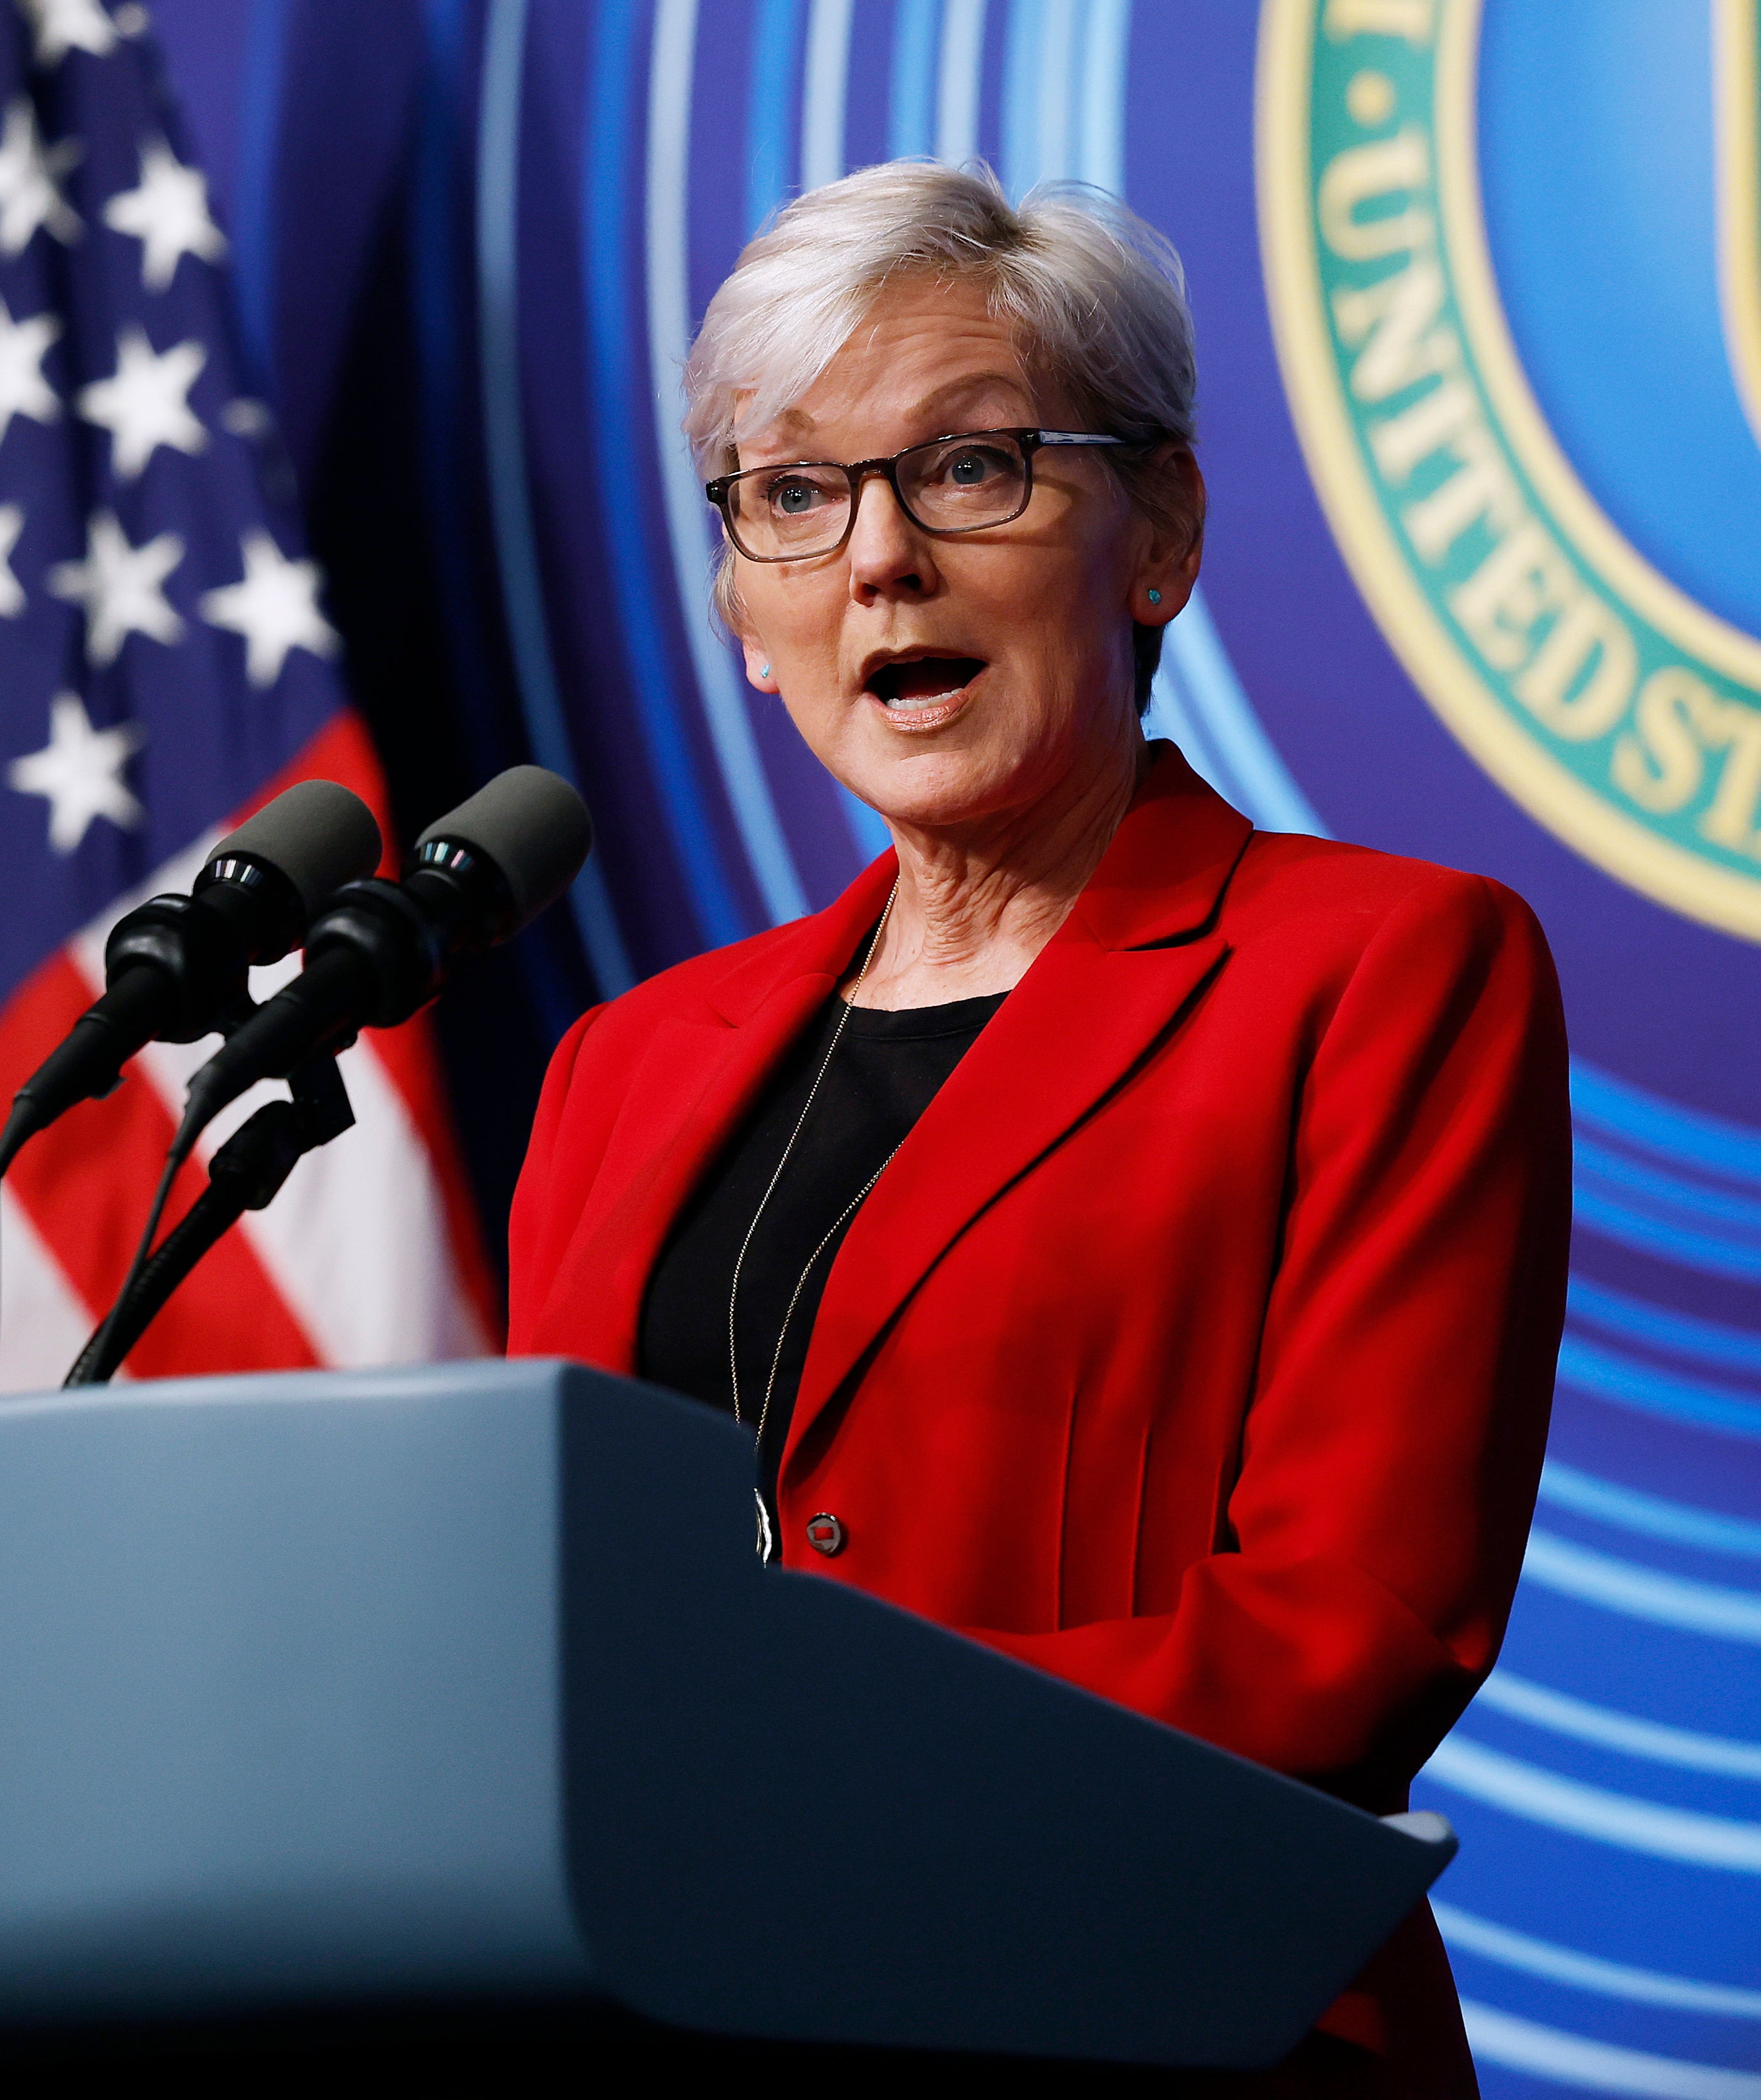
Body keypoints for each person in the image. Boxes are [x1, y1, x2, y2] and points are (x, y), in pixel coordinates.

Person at [507, 164, 1568, 2096]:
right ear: (745, 612)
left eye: (969, 468)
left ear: (1157, 533)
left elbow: (1348, 1627)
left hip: (1147, 2015)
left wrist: (782, 1775)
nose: (877, 560)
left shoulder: (1378, 970)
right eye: (792, 493)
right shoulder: (624, 1067)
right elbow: (545, 1619)